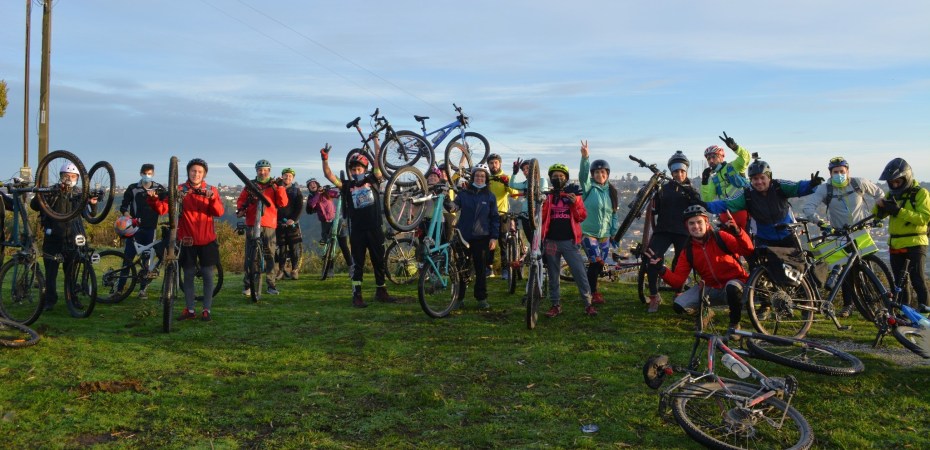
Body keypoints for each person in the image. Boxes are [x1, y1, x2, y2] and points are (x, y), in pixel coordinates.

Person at [646, 205, 754, 332]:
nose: (696, 226)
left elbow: (748, 250)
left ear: (707, 223)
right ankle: (705, 312)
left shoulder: (721, 237)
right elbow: (678, 281)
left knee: (732, 287)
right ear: (687, 227)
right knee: (679, 305)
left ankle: (734, 323)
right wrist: (661, 269)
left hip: (735, 284)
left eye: (699, 222)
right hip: (710, 288)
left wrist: (738, 232)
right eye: (691, 223)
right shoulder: (688, 251)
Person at [801, 156, 884, 317]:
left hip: (861, 231)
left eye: (842, 171)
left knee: (867, 268)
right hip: (840, 234)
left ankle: (877, 304)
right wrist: (820, 222)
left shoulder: (858, 183)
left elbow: (879, 193)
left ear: (848, 171)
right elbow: (808, 207)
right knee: (846, 270)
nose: (839, 174)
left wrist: (879, 211)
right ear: (830, 173)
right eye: (835, 172)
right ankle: (848, 305)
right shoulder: (825, 189)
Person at [146, 158, 224, 321]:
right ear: (188, 172)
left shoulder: (211, 190)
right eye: (193, 171)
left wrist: (212, 199)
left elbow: (219, 212)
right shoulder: (179, 189)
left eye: (200, 172)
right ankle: (190, 309)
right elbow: (163, 209)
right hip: (187, 240)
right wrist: (153, 199)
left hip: (207, 240)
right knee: (188, 275)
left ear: (204, 174)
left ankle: (206, 310)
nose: (196, 174)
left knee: (208, 275)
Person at [321, 144, 397, 307]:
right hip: (357, 231)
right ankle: (357, 295)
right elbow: (329, 175)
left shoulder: (373, 180)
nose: (356, 172)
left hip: (375, 228)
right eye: (353, 170)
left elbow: (378, 164)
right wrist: (325, 159)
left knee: (379, 261)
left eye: (359, 169)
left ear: (365, 169)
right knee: (358, 264)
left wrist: (376, 143)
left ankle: (381, 291)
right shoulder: (347, 185)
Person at [704, 157, 823, 249]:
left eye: (762, 177)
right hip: (764, 239)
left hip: (788, 235)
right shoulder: (747, 194)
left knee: (798, 268)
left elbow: (797, 187)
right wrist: (704, 205)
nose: (759, 182)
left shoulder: (778, 186)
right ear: (750, 180)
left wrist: (811, 184)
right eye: (755, 179)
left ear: (769, 177)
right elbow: (727, 204)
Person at [30, 163, 98, 311]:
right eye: (66, 176)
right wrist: (40, 192)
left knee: (71, 272)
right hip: (53, 237)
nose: (69, 179)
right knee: (51, 273)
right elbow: (34, 206)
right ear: (61, 176)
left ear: (77, 178)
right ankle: (50, 301)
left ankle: (72, 299)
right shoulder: (51, 191)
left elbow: (90, 215)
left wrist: (93, 204)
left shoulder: (79, 193)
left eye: (73, 176)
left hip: (72, 237)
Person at [643, 151, 703, 313]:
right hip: (663, 230)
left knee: (680, 263)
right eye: (676, 171)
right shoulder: (664, 188)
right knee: (652, 258)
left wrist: (692, 195)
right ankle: (654, 296)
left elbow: (698, 208)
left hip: (683, 232)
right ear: (671, 172)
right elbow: (655, 210)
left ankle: (679, 293)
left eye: (682, 171)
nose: (679, 174)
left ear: (686, 171)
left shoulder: (691, 189)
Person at [539, 163, 596, 318]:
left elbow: (581, 217)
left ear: (566, 178)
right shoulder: (548, 196)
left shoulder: (574, 195)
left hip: (570, 242)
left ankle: (588, 304)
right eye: (555, 176)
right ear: (550, 178)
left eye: (561, 176)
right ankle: (555, 305)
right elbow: (541, 218)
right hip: (551, 242)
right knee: (553, 275)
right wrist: (542, 202)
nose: (558, 178)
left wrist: (574, 203)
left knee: (579, 273)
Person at [874, 158, 930, 313]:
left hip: (915, 242)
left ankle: (926, 315)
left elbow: (924, 218)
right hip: (896, 243)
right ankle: (904, 314)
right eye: (892, 182)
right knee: (900, 283)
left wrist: (898, 211)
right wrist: (880, 206)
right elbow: (877, 215)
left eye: (897, 182)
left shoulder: (920, 193)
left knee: (918, 280)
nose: (894, 185)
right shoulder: (892, 193)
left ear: (906, 178)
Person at [449, 163, 500, 309]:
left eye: (482, 176)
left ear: (486, 179)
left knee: (480, 269)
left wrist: (494, 237)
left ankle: (481, 299)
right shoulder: (464, 194)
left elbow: (494, 218)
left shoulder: (490, 197)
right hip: (463, 236)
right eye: (477, 175)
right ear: (472, 177)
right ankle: (459, 299)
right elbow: (454, 207)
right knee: (461, 269)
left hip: (482, 238)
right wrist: (448, 203)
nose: (479, 178)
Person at [236, 159, 289, 296]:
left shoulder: (274, 185)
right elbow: (241, 200)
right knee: (250, 256)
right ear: (256, 171)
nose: (263, 172)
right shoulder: (250, 185)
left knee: (270, 255)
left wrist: (281, 187)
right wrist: (240, 209)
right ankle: (248, 285)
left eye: (265, 170)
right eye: (260, 170)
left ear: (269, 171)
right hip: (252, 223)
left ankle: (271, 285)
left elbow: (283, 203)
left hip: (269, 223)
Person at [578, 140, 619, 305]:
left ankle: (590, 289)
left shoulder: (612, 192)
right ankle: (592, 293)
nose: (599, 175)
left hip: (605, 235)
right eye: (596, 172)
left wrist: (613, 232)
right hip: (588, 232)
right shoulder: (589, 188)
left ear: (607, 174)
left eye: (602, 172)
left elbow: (614, 214)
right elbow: (583, 177)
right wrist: (585, 158)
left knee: (599, 263)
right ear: (593, 174)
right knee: (595, 261)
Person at [117, 163, 164, 298]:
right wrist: (129, 218)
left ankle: (143, 290)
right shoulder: (133, 188)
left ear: (153, 174)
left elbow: (165, 204)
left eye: (149, 173)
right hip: (135, 228)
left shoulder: (159, 188)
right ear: (140, 173)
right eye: (145, 173)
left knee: (147, 260)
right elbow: (124, 206)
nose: (147, 176)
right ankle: (119, 289)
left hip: (151, 228)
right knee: (128, 258)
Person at [700, 132, 752, 230]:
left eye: (713, 157)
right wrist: (704, 181)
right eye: (708, 158)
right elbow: (707, 199)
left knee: (747, 238)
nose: (711, 161)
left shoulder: (733, 166)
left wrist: (735, 147)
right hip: (726, 214)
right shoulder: (714, 179)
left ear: (721, 156)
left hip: (743, 211)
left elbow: (746, 158)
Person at [306, 178, 352, 277]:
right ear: (309, 188)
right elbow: (312, 204)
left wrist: (327, 190)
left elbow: (337, 194)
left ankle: (351, 267)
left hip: (337, 220)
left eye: (314, 183)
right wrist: (318, 194)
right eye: (310, 185)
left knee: (343, 245)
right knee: (328, 247)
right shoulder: (311, 197)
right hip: (325, 223)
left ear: (317, 184)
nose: (312, 185)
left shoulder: (326, 193)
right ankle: (329, 269)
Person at [485, 153, 519, 279]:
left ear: (500, 164)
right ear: (488, 165)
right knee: (488, 242)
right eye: (491, 163)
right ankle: (489, 269)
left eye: (496, 163)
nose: (493, 165)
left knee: (503, 243)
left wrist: (506, 184)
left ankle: (505, 269)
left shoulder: (506, 177)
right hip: (488, 215)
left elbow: (515, 194)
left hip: (502, 214)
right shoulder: (486, 178)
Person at [509, 158, 549, 244]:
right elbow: (511, 185)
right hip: (525, 215)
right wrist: (514, 173)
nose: (525, 170)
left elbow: (543, 195)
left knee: (540, 241)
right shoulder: (525, 183)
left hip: (537, 214)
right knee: (531, 241)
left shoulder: (541, 180)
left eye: (528, 168)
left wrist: (533, 193)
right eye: (523, 169)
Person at [275, 167, 304, 280]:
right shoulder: (276, 188)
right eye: (285, 175)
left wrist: (293, 219)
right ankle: (281, 270)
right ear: (282, 176)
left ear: (293, 178)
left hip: (292, 223)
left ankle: (294, 270)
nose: (287, 177)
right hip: (279, 223)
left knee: (293, 247)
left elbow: (299, 207)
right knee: (281, 248)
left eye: (290, 176)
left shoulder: (296, 191)